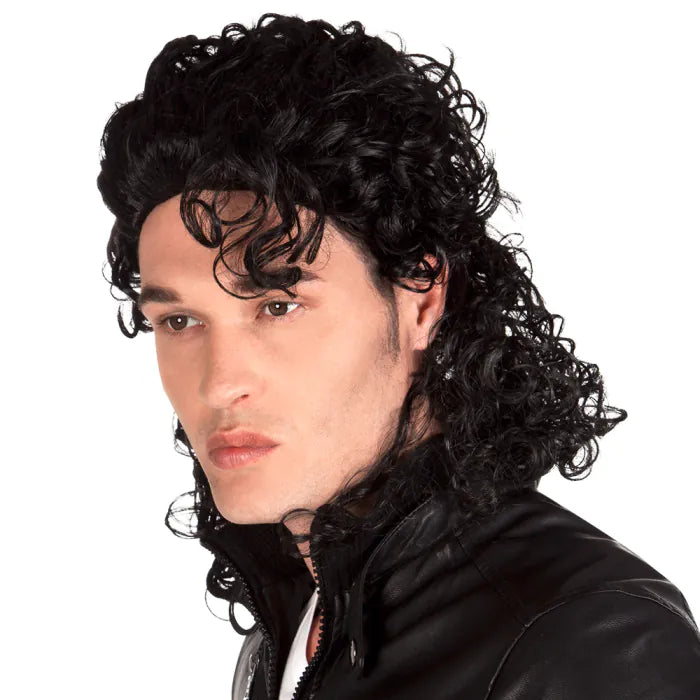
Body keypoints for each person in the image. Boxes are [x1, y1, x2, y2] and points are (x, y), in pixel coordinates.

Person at [95, 13, 700, 700]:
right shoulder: (293, 626)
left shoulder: (587, 642)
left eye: (278, 306)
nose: (219, 384)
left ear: (419, 297)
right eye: (179, 320)